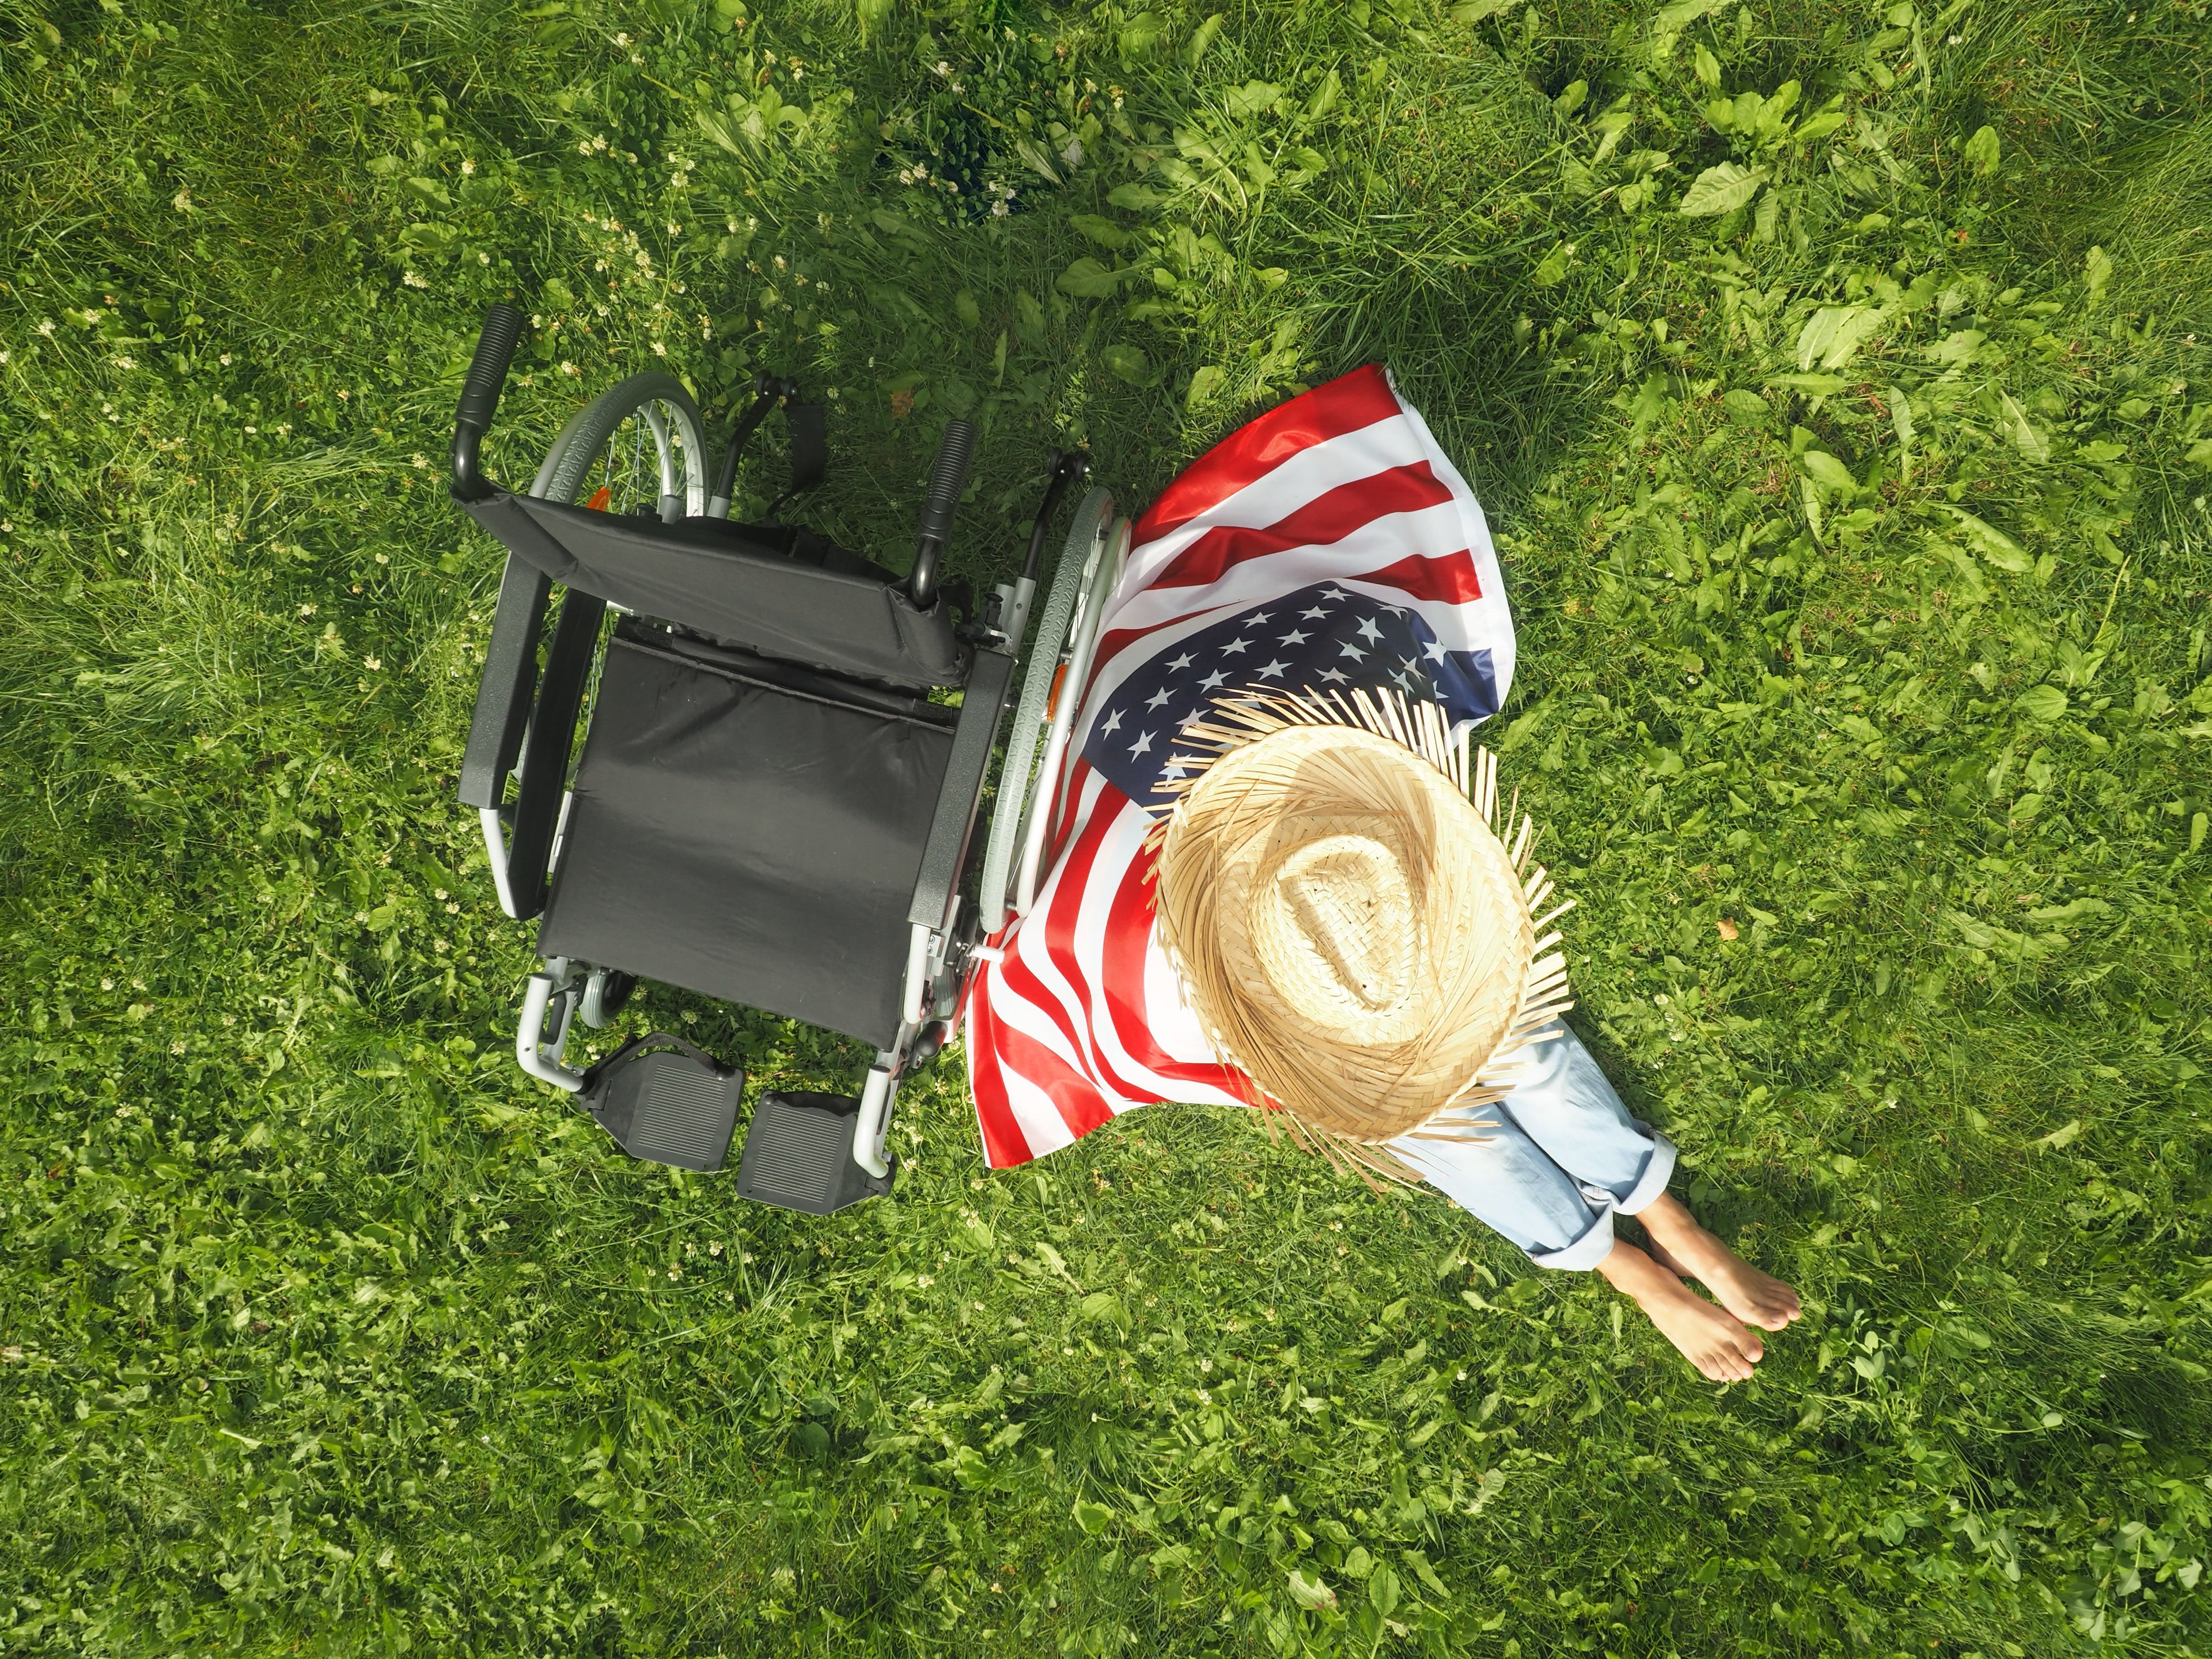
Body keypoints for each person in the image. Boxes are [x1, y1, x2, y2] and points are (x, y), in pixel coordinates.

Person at [961, 366, 1799, 1381]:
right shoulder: (1172, 965)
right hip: (1264, 929)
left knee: (1515, 1045)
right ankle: (1627, 1265)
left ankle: (1661, 1213)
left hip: (1315, 827)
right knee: (1434, 1115)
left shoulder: (1352, 780)